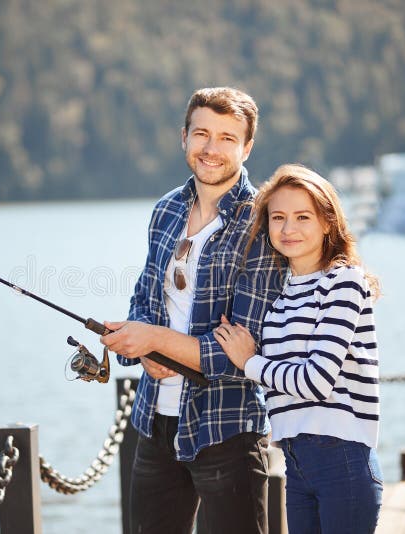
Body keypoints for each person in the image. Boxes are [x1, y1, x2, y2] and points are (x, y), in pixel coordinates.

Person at [100, 87, 286, 534]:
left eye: (226, 137)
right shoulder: (165, 210)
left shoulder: (263, 221)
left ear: (247, 147)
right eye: (201, 133)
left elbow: (238, 350)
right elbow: (143, 301)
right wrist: (141, 350)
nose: (211, 148)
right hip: (154, 423)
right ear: (183, 137)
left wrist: (157, 340)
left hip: (228, 427)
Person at [214, 163, 383, 533]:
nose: (288, 229)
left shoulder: (344, 283)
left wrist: (250, 362)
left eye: (302, 217)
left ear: (327, 222)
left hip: (342, 460)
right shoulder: (279, 299)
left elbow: (317, 380)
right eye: (278, 218)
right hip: (294, 462)